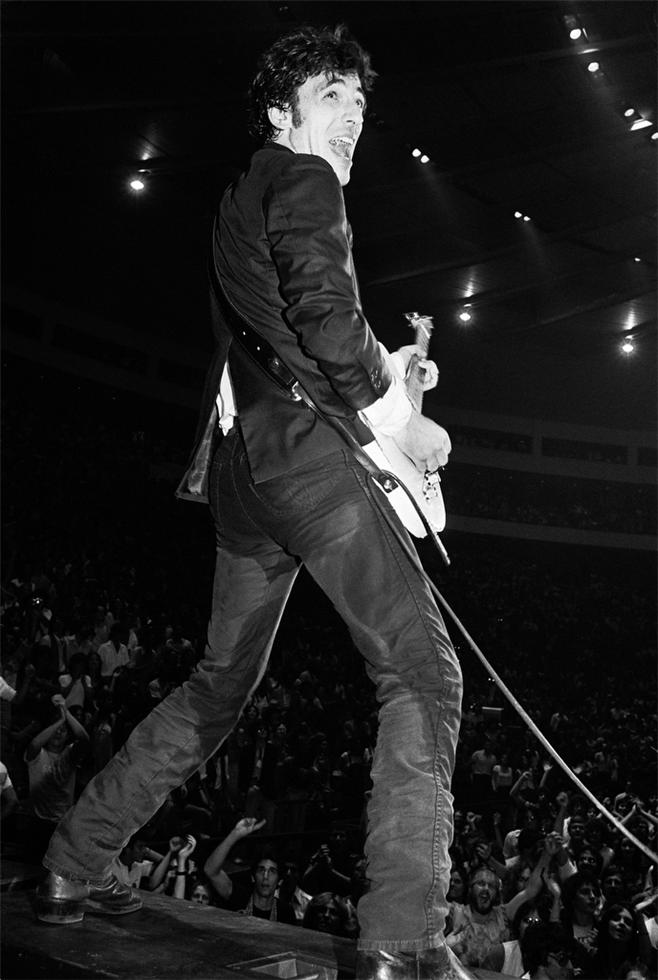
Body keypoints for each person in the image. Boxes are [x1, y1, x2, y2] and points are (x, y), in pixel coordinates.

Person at [35, 24, 466, 979]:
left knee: (217, 686)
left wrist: (391, 371)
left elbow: (280, 329)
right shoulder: (303, 178)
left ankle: (72, 862)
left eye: (359, 106)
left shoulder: (243, 196)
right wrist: (403, 418)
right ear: (281, 113)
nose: (351, 119)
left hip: (246, 477)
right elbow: (320, 308)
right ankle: (403, 939)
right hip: (310, 467)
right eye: (330, 99)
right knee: (424, 678)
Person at [202, 817, 296, 924]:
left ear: (280, 881)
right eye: (261, 870)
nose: (265, 876)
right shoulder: (239, 898)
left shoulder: (286, 913)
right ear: (253, 876)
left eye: (272, 871)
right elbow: (210, 870)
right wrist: (235, 834)